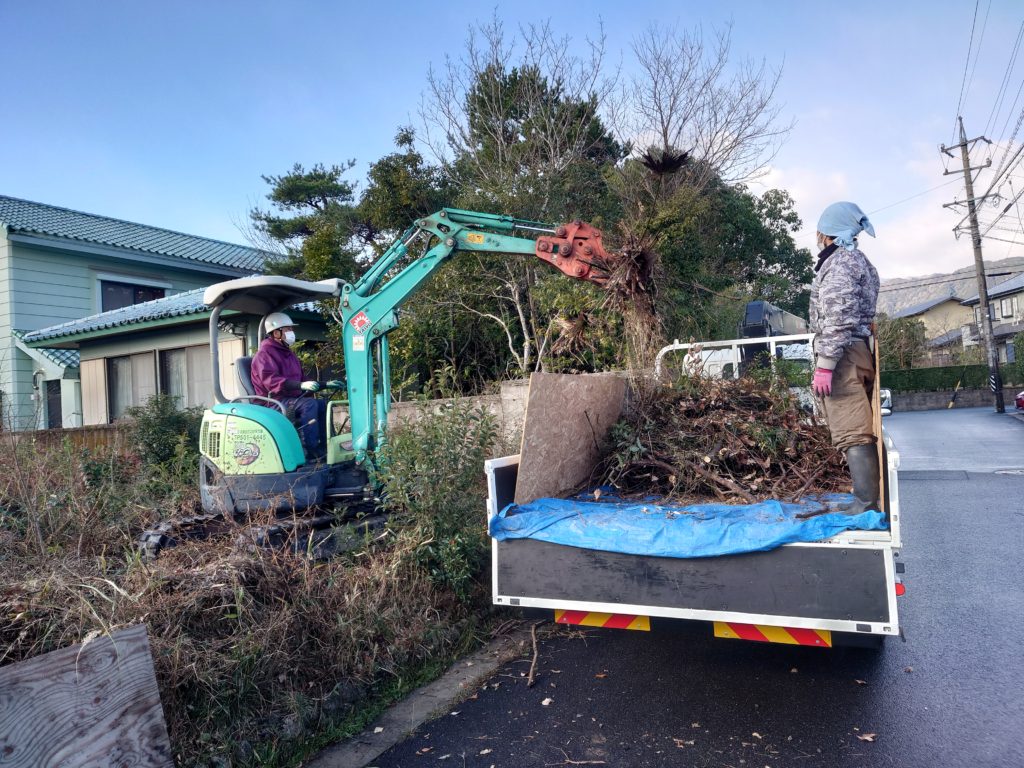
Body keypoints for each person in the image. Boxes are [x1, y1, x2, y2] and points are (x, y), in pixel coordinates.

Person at [809, 202, 880, 514]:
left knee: (852, 430)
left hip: (843, 356)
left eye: (819, 230)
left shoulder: (839, 263)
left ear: (827, 232)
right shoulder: (857, 259)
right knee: (855, 427)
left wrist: (825, 365)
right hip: (855, 349)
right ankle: (863, 497)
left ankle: (864, 503)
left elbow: (839, 318)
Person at [250, 312, 327, 460]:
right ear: (275, 333)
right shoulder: (264, 355)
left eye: (291, 330)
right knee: (309, 405)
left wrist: (324, 384)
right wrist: (300, 385)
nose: (291, 333)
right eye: (286, 330)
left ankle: (324, 448)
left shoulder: (288, 354)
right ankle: (311, 452)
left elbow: (302, 379)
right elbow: (271, 381)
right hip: (273, 402)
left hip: (289, 399)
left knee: (322, 404)